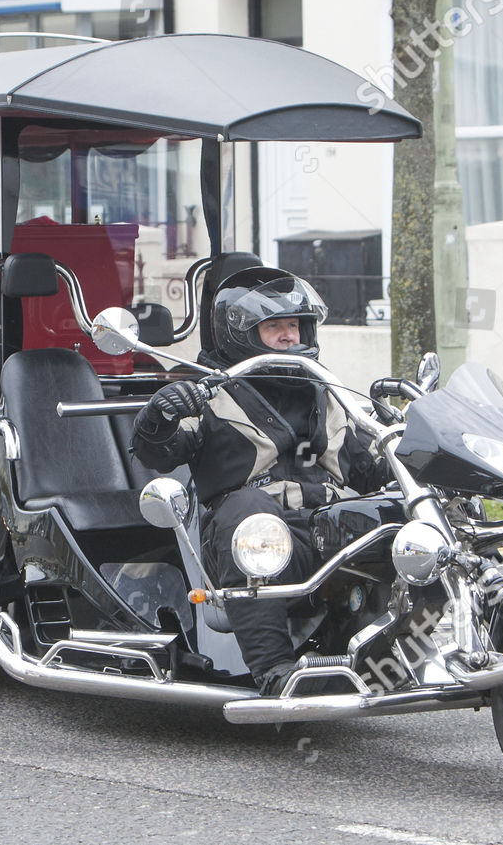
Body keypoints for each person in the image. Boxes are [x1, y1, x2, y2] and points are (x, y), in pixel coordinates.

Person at [131, 267, 392, 696]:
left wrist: (410, 452)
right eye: (275, 327)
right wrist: (159, 416)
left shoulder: (327, 391)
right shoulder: (208, 394)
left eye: (294, 325)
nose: (290, 336)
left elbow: (368, 469)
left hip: (322, 535)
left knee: (396, 515)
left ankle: (388, 653)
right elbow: (157, 454)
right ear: (242, 334)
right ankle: (275, 672)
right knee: (251, 512)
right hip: (248, 548)